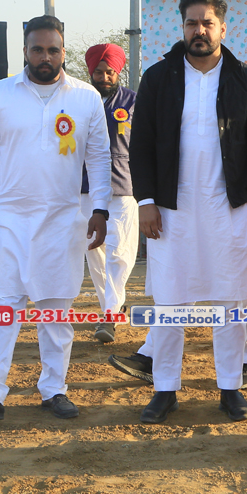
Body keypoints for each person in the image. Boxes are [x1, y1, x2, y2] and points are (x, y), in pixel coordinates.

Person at [130, 0, 247, 425]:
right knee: (170, 299)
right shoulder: (158, 78)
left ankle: (230, 388)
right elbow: (140, 144)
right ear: (182, 27)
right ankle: (164, 389)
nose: (199, 31)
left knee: (232, 298)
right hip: (170, 209)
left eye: (207, 23)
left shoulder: (243, 79)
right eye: (192, 23)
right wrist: (146, 201)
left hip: (228, 207)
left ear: (222, 29)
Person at [0, 14, 111, 422]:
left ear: (63, 52)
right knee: (2, 309)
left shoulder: (85, 97)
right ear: (25, 51)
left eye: (53, 50)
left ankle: (54, 389)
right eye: (37, 49)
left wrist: (100, 209)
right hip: (6, 220)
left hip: (63, 220)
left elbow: (100, 158)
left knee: (56, 311)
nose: (45, 57)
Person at [80, 43, 140, 344]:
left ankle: (110, 314)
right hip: (86, 187)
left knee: (120, 254)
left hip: (123, 186)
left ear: (118, 73)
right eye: (99, 72)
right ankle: (111, 309)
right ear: (91, 72)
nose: (104, 77)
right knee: (95, 252)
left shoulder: (133, 102)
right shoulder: (78, 101)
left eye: (109, 72)